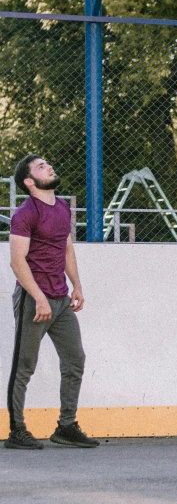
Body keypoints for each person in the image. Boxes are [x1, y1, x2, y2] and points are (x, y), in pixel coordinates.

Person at [5, 154, 99, 450]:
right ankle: (17, 431)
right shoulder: (25, 213)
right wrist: (38, 298)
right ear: (30, 182)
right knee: (24, 366)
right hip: (34, 300)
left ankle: (66, 426)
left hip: (60, 299)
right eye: (42, 167)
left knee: (75, 361)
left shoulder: (61, 207)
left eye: (48, 163)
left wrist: (77, 286)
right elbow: (17, 262)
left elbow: (66, 248)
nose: (50, 167)